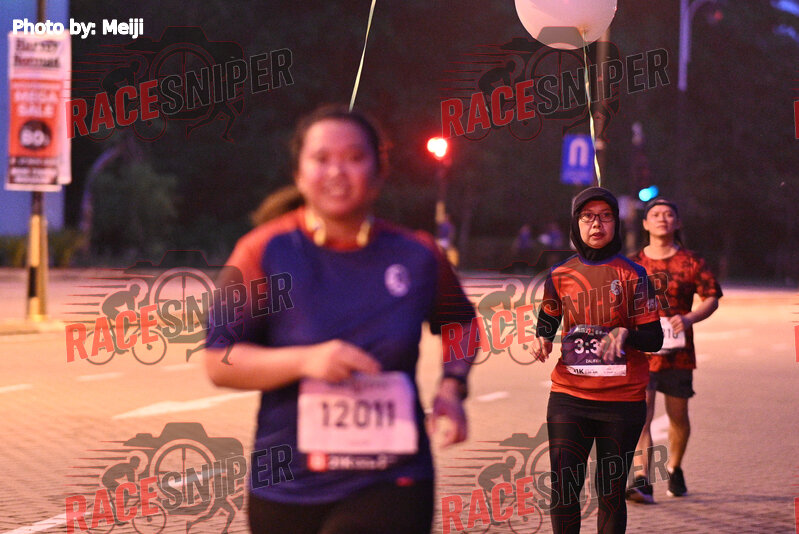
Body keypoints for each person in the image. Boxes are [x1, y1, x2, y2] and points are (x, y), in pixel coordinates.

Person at [203, 104, 476, 534]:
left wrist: (452, 386)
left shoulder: (417, 254)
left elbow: (461, 322)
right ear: (299, 174)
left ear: (380, 171)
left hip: (392, 481)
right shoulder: (263, 251)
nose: (337, 172)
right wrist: (306, 361)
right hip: (285, 484)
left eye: (354, 157)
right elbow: (218, 360)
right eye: (321, 158)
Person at [530, 187, 663, 534]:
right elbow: (548, 318)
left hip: (622, 401)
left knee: (610, 493)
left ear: (615, 224)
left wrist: (626, 333)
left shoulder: (634, 274)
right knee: (564, 490)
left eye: (605, 217)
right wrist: (542, 337)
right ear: (576, 223)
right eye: (588, 217)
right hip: (569, 396)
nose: (597, 224)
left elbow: (654, 339)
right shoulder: (559, 274)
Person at [625, 198, 721, 503]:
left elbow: (712, 297)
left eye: (669, 214)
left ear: (677, 223)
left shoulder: (691, 261)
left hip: (679, 353)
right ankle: (643, 479)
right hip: (642, 352)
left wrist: (689, 318)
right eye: (655, 214)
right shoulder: (632, 263)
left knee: (678, 417)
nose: (662, 219)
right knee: (642, 416)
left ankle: (675, 467)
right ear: (645, 223)